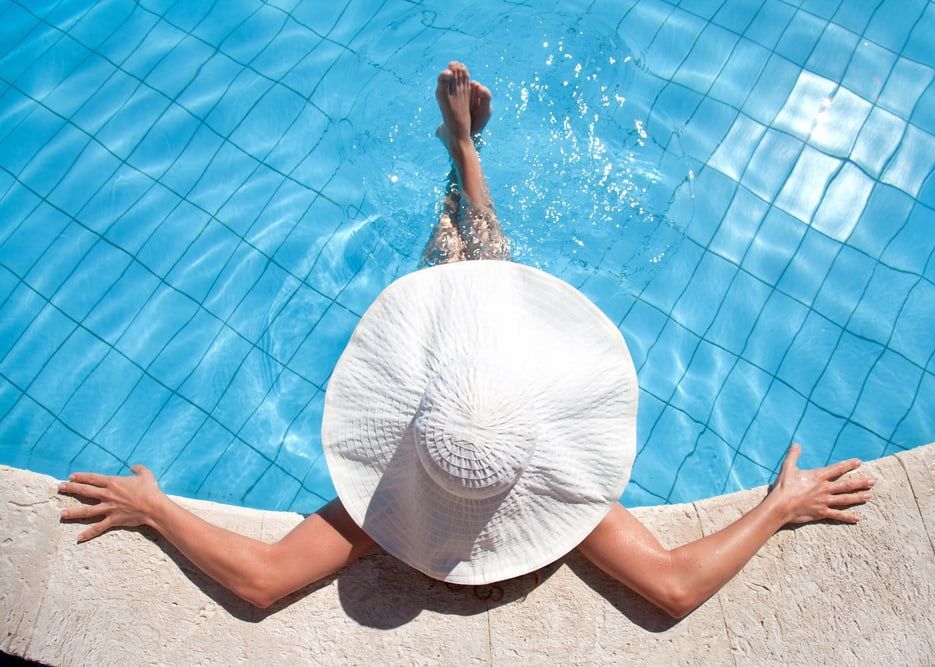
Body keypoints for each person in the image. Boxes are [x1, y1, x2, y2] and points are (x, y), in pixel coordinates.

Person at [56, 62, 876, 616]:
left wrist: (156, 507)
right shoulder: (562, 498)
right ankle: (464, 152)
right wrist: (779, 507)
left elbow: (264, 580)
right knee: (476, 275)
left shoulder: (378, 514)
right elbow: (670, 585)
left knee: (461, 271)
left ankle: (462, 154)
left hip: (475, 386)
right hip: (496, 386)